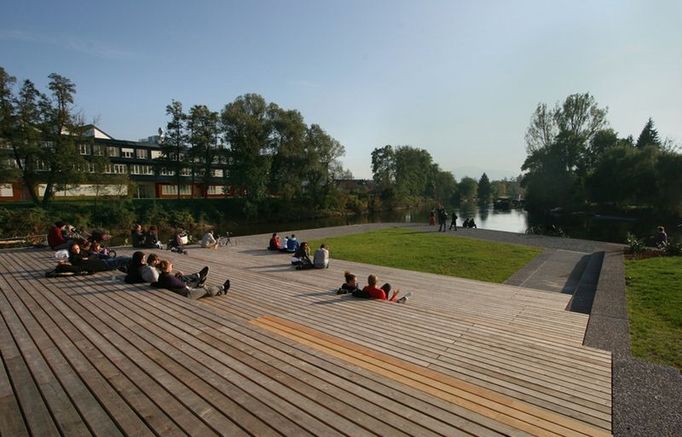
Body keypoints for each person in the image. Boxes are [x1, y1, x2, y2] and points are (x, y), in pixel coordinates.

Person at [152, 260, 229, 300]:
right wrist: (178, 278)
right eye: (170, 265)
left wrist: (176, 277)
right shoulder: (169, 278)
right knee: (206, 289)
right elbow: (182, 285)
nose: (172, 266)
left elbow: (172, 283)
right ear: (167, 269)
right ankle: (222, 288)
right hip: (188, 294)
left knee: (200, 287)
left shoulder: (162, 276)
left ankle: (199, 279)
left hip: (183, 292)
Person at [141, 253, 209, 287]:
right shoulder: (153, 271)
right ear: (154, 261)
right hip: (169, 283)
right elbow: (182, 285)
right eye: (157, 260)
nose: (159, 261)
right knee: (184, 281)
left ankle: (197, 275)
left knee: (181, 277)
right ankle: (198, 280)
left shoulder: (148, 268)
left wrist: (175, 276)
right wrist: (175, 278)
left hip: (166, 281)